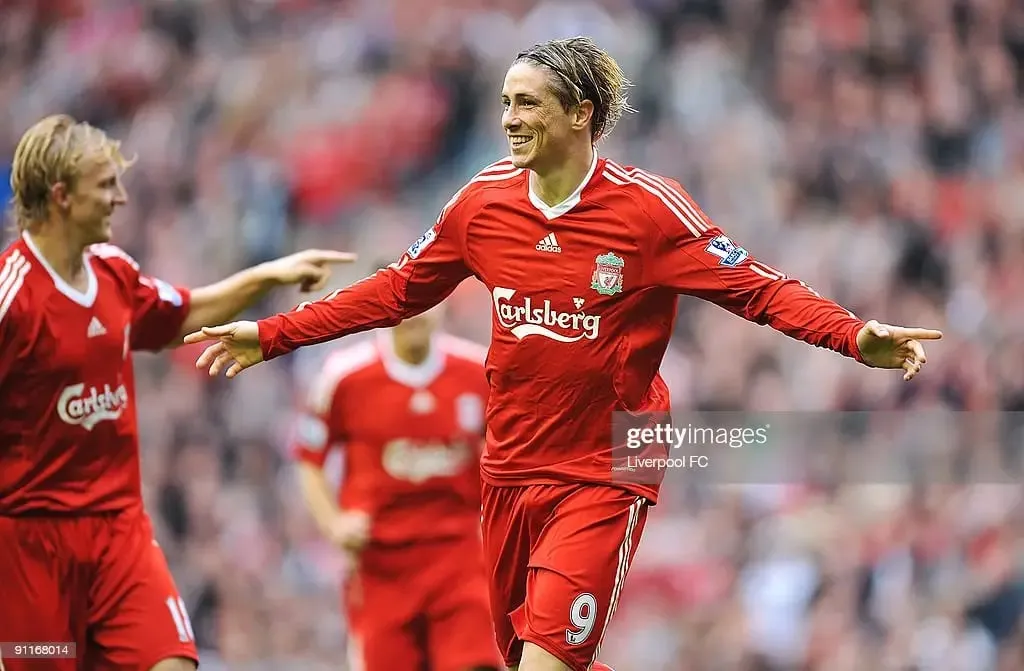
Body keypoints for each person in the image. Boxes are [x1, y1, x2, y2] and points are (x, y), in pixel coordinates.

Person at [186, 37, 943, 671]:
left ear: (579, 114)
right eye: (506, 103)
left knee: (545, 662)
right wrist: (273, 333)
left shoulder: (649, 211)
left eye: (527, 104)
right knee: (525, 658)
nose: (509, 119)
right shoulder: (481, 203)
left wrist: (853, 335)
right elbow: (397, 290)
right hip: (511, 465)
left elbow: (759, 289)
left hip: (611, 461)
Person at [0, 114, 355, 671]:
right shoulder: (13, 295)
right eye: (106, 185)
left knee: (173, 661)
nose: (120, 198)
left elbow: (183, 314)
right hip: (33, 545)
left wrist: (267, 276)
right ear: (63, 196)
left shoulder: (113, 273)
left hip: (120, 532)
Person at [291, 277, 502, 671]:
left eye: (426, 302)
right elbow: (309, 458)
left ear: (443, 304)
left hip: (458, 558)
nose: (415, 316)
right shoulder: (345, 377)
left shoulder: (479, 371)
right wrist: (335, 525)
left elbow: (510, 452)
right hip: (380, 567)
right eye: (403, 304)